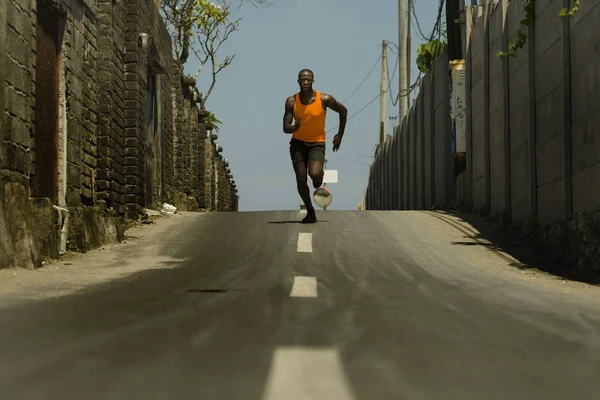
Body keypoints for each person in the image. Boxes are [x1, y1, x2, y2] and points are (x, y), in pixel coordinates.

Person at [282, 69, 348, 223]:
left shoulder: (324, 99)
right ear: (298, 81)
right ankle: (310, 211)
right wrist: (294, 128)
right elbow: (285, 127)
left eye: (308, 80)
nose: (305, 82)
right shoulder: (292, 101)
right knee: (301, 179)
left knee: (315, 175)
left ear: (313, 81)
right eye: (302, 80)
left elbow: (343, 111)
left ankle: (319, 176)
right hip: (297, 144)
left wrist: (340, 135)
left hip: (317, 143)